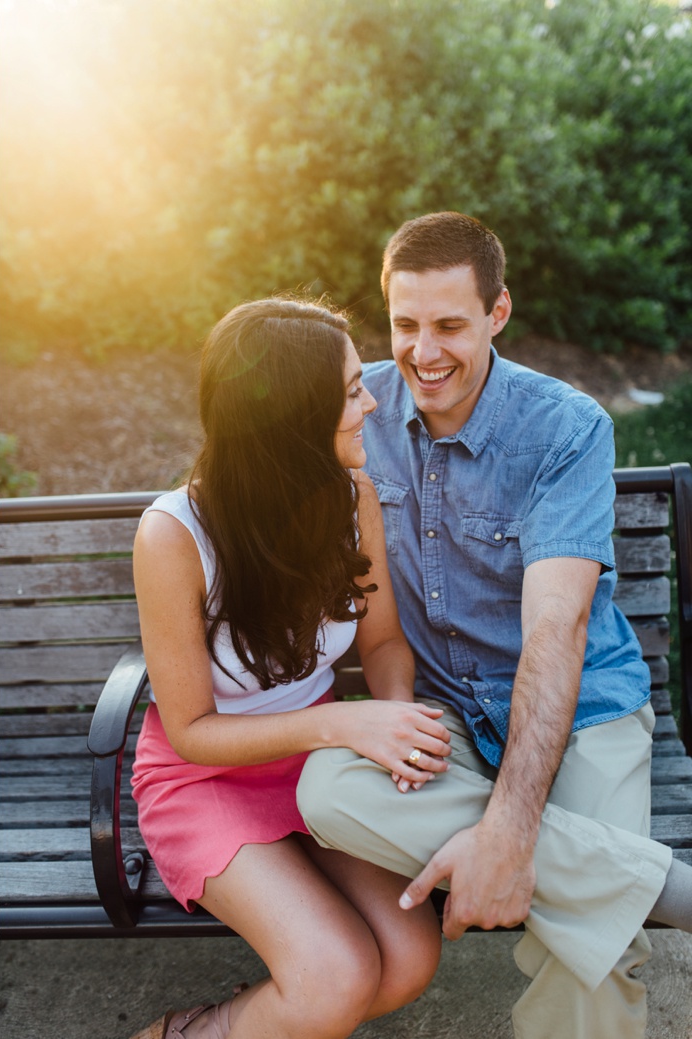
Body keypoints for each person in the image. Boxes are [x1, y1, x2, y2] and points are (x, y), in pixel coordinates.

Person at [295, 211, 692, 1039]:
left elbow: (558, 629)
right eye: (405, 325)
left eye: (449, 325)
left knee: (588, 945)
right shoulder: (353, 411)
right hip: (442, 707)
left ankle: (582, 878)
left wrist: (511, 833)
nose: (423, 352)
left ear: (497, 313)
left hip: (577, 705)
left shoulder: (564, 427)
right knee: (328, 789)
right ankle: (664, 889)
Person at [129, 298, 450, 1039]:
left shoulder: (351, 496)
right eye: (349, 389)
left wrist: (395, 725)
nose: (372, 398)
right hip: (205, 774)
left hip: (319, 769)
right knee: (336, 978)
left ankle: (278, 1008)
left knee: (406, 958)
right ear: (293, 418)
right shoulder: (173, 534)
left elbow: (384, 645)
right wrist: (345, 721)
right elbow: (191, 730)